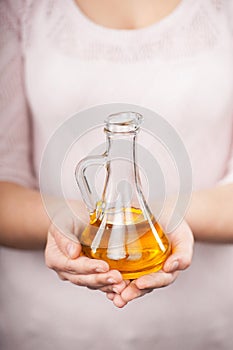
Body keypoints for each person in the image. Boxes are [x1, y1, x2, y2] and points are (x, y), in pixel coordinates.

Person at [0, 0, 232, 349]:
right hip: (48, 331)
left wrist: (167, 215)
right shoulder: (20, 9)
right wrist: (73, 222)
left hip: (208, 328)